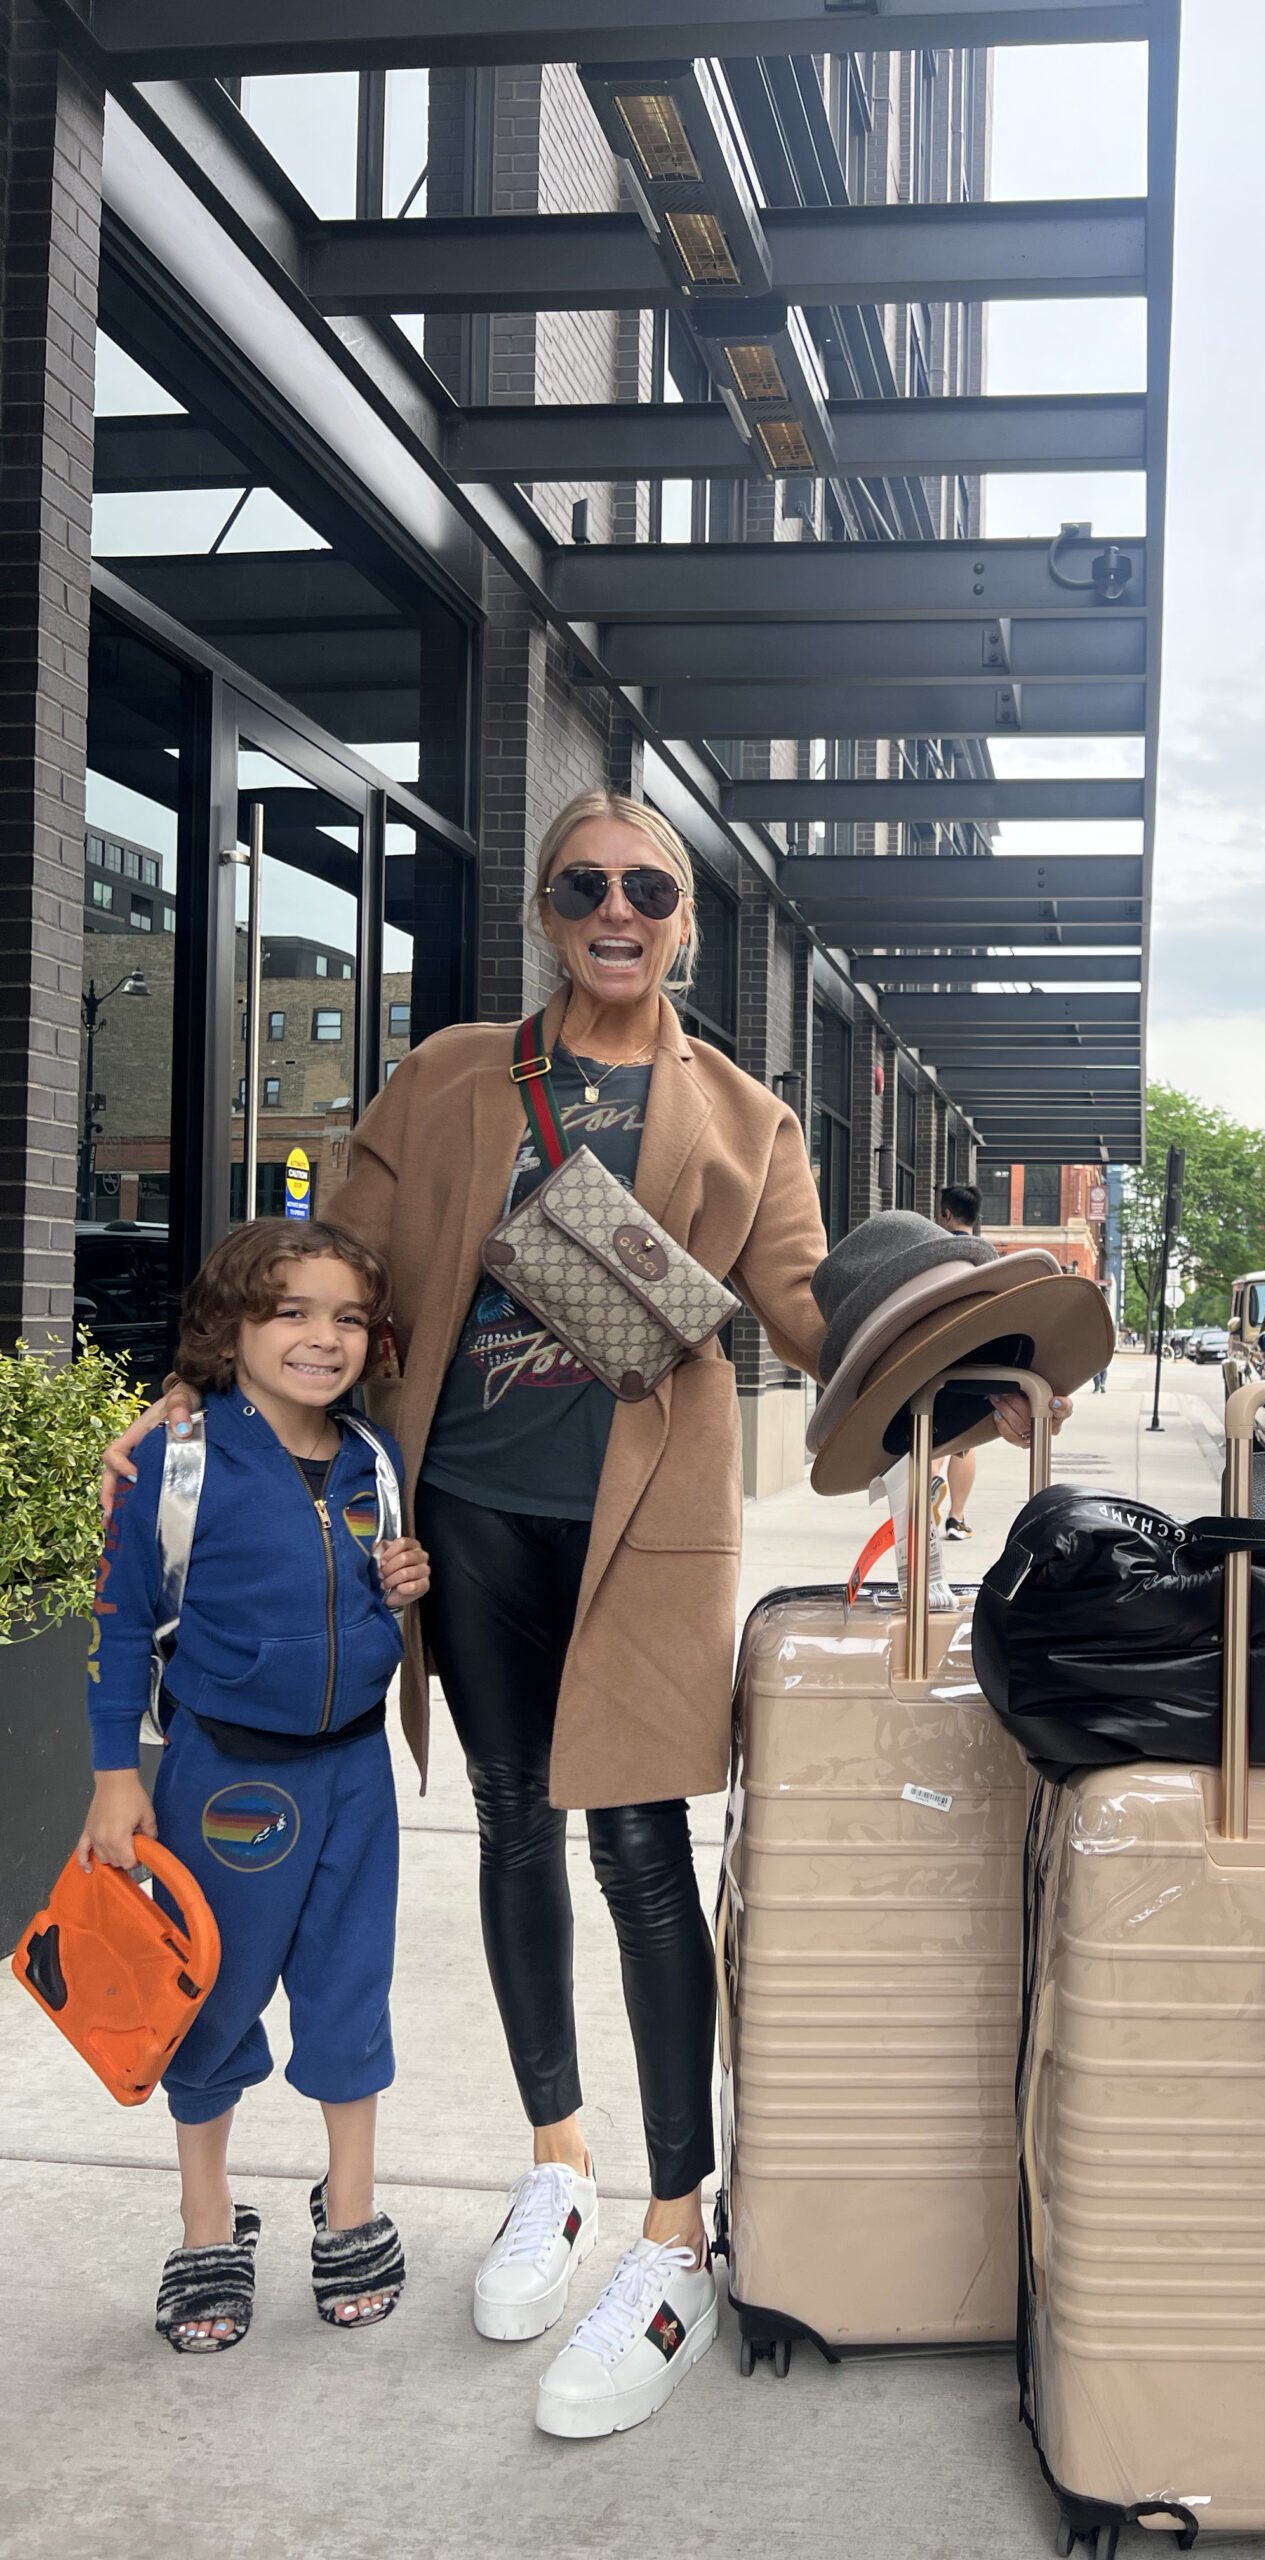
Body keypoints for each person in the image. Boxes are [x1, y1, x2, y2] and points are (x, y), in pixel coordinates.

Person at [103, 791, 1052, 2439]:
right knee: (515, 1827)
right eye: (582, 885)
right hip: (461, 1515)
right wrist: (189, 1395)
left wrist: (967, 1383)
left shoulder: (748, 1119)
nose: (615, 908)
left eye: (647, 887)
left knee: (638, 1851)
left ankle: (675, 2231)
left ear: (688, 920)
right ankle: (557, 2160)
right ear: (546, 912)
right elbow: (332, 1268)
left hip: (644, 1537)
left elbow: (817, 1313)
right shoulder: (454, 1077)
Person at [82, 1220, 431, 2354]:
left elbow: (367, 1595)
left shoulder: (371, 1458)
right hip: (223, 1778)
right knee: (211, 1996)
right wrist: (112, 1779)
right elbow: (122, 1625)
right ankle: (203, 2221)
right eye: (289, 1311)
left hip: (355, 1776)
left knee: (349, 1987)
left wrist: (400, 1589)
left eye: (344, 1317)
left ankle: (354, 2199)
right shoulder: (175, 1460)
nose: (321, 1338)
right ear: (231, 1328)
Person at [935, 1183, 983, 1537]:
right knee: (964, 1444)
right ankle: (957, 1517)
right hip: (972, 1357)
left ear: (946, 1214)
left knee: (929, 1439)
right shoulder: (987, 1257)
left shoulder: (930, 1252)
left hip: (932, 1357)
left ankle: (926, 1508)